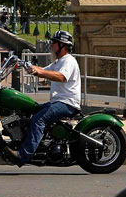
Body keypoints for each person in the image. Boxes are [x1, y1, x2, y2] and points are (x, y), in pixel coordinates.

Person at [15, 30, 81, 166]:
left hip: (67, 103)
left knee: (39, 119)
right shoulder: (59, 62)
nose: (51, 45)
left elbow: (61, 77)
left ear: (62, 45)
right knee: (31, 111)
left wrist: (40, 72)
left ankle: (23, 155)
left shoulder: (68, 61)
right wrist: (29, 66)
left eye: (54, 43)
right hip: (58, 102)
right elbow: (44, 70)